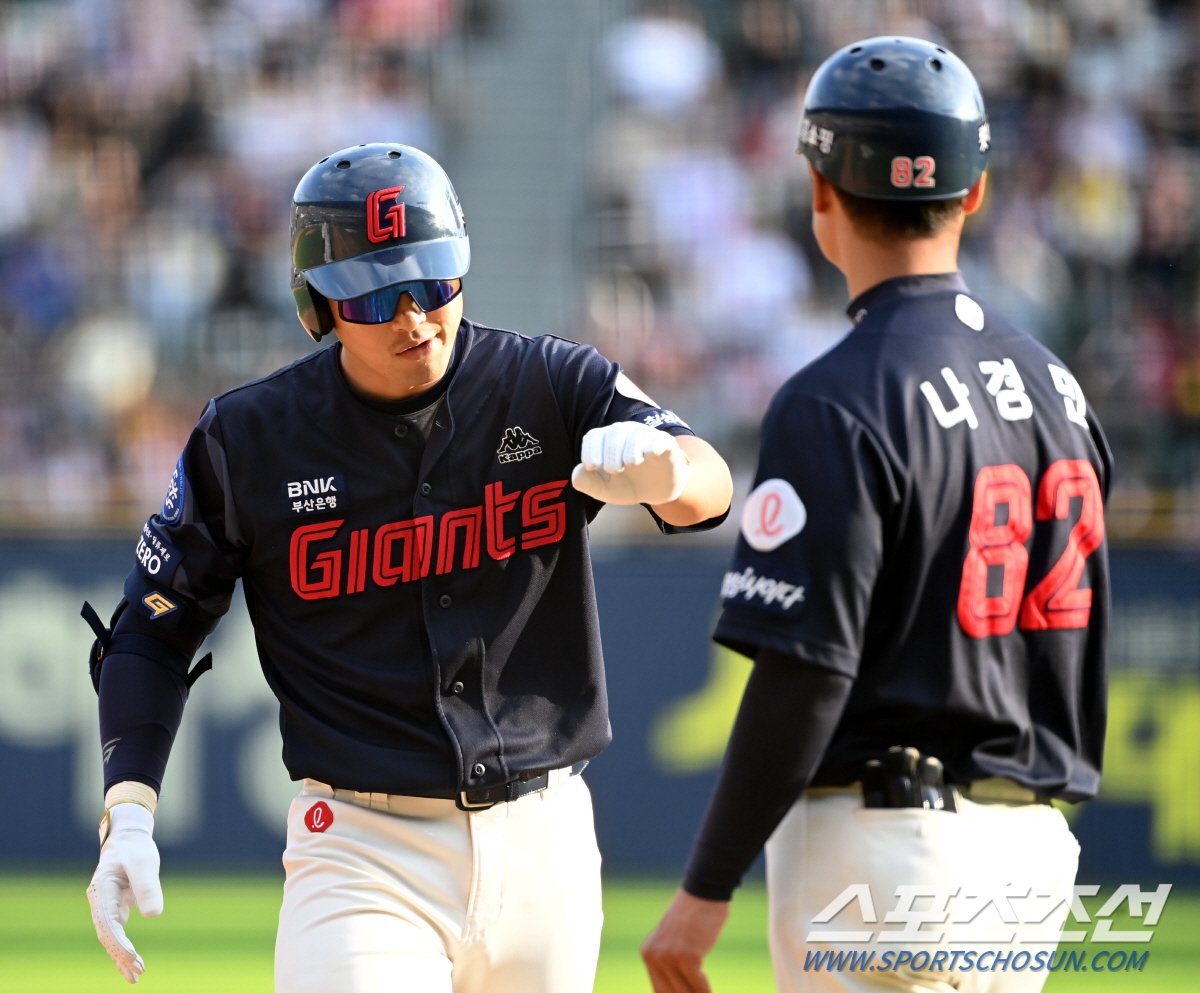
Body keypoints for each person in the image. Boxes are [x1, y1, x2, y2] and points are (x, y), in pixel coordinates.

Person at [82, 142, 733, 992]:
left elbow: (709, 486)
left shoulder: (551, 381)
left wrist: (671, 473)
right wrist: (128, 812)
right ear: (318, 304)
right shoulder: (249, 439)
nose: (414, 316)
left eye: (434, 283)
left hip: (547, 841)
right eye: (374, 294)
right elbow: (152, 627)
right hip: (362, 846)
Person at [642, 37, 1110, 993]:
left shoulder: (836, 396)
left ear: (821, 189)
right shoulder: (1059, 388)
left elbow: (808, 668)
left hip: (890, 849)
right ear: (975, 193)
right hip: (1030, 859)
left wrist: (705, 885)